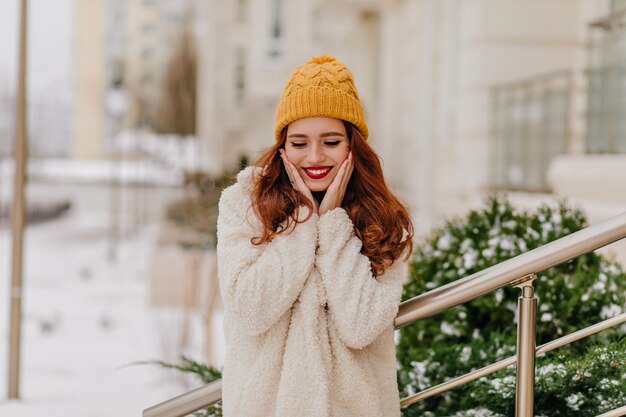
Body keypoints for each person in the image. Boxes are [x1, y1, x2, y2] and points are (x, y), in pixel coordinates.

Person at [217, 55, 414, 417]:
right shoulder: (243, 205)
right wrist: (305, 223)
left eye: (331, 140)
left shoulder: (383, 218)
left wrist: (334, 225)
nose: (315, 156)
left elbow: (362, 325)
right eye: (299, 142)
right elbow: (249, 311)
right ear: (282, 146)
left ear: (353, 145)